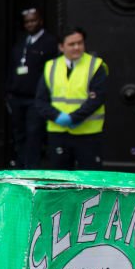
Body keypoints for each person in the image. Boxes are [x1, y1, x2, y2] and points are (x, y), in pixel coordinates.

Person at [35, 26, 109, 171]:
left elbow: (97, 99)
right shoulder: (51, 66)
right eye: (71, 44)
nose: (77, 47)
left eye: (80, 43)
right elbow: (40, 101)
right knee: (60, 178)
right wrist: (57, 116)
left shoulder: (95, 65)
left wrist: (74, 118)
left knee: (90, 178)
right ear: (61, 47)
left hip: (87, 133)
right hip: (58, 132)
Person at [5, 9, 59, 169]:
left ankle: (31, 168)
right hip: (17, 96)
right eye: (27, 22)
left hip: (36, 97)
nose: (30, 24)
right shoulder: (22, 41)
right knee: (19, 133)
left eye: (33, 20)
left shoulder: (49, 42)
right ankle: (20, 166)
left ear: (40, 21)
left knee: (33, 133)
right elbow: (12, 66)